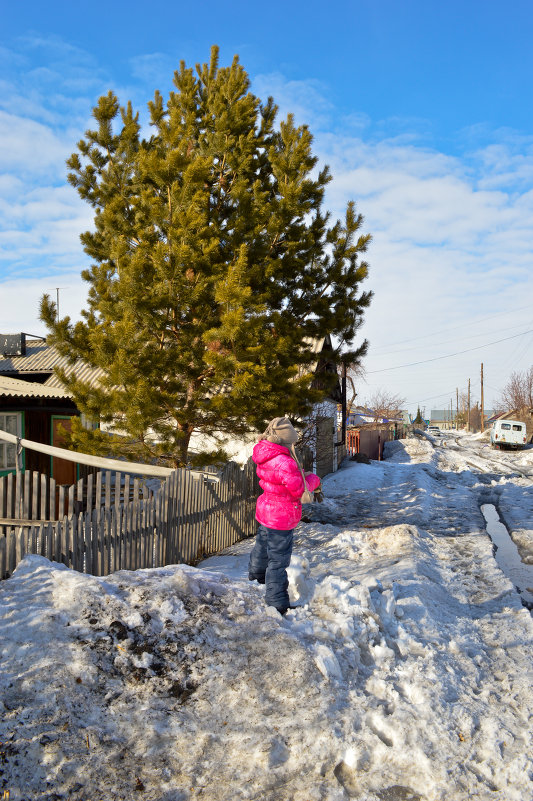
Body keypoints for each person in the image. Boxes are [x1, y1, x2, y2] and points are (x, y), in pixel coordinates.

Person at [248, 416, 321, 615]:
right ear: (285, 440)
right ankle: (277, 601)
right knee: (278, 561)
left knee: (262, 548)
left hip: (266, 509)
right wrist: (313, 480)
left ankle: (256, 581)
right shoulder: (284, 462)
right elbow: (299, 490)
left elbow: (280, 481)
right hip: (281, 515)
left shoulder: (265, 454)